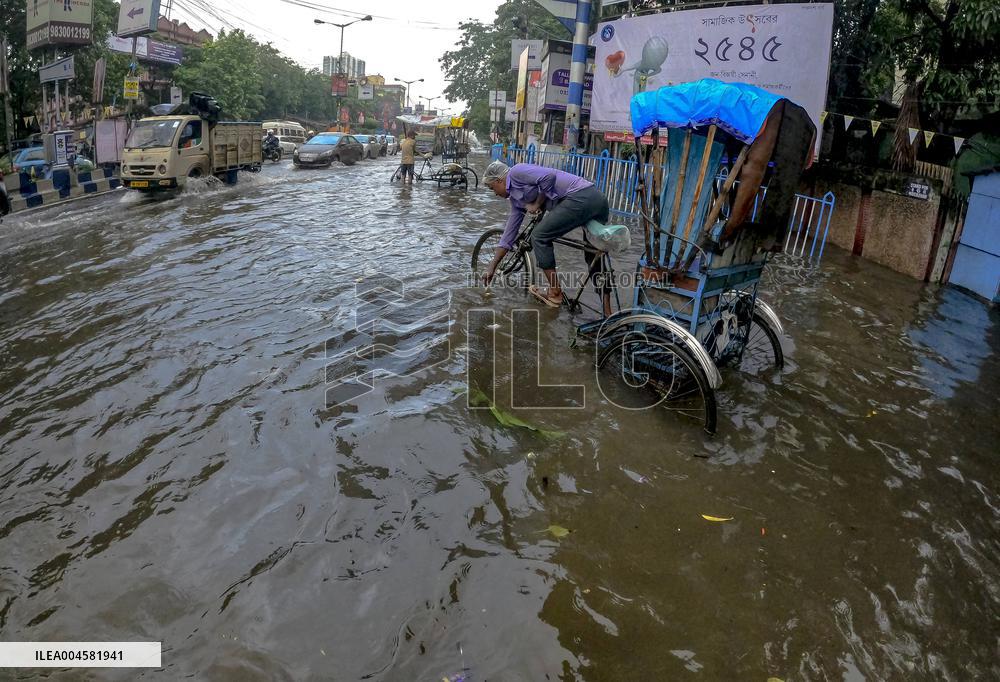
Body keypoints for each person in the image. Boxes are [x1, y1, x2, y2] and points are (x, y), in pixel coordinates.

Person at [482, 160, 611, 312]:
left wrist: (537, 204)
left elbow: (548, 177)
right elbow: (509, 234)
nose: (495, 193)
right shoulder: (516, 200)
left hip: (581, 197)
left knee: (539, 236)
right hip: (595, 200)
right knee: (593, 255)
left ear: (499, 180)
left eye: (493, 188)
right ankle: (608, 313)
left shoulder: (516, 172)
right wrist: (492, 266)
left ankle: (555, 292)